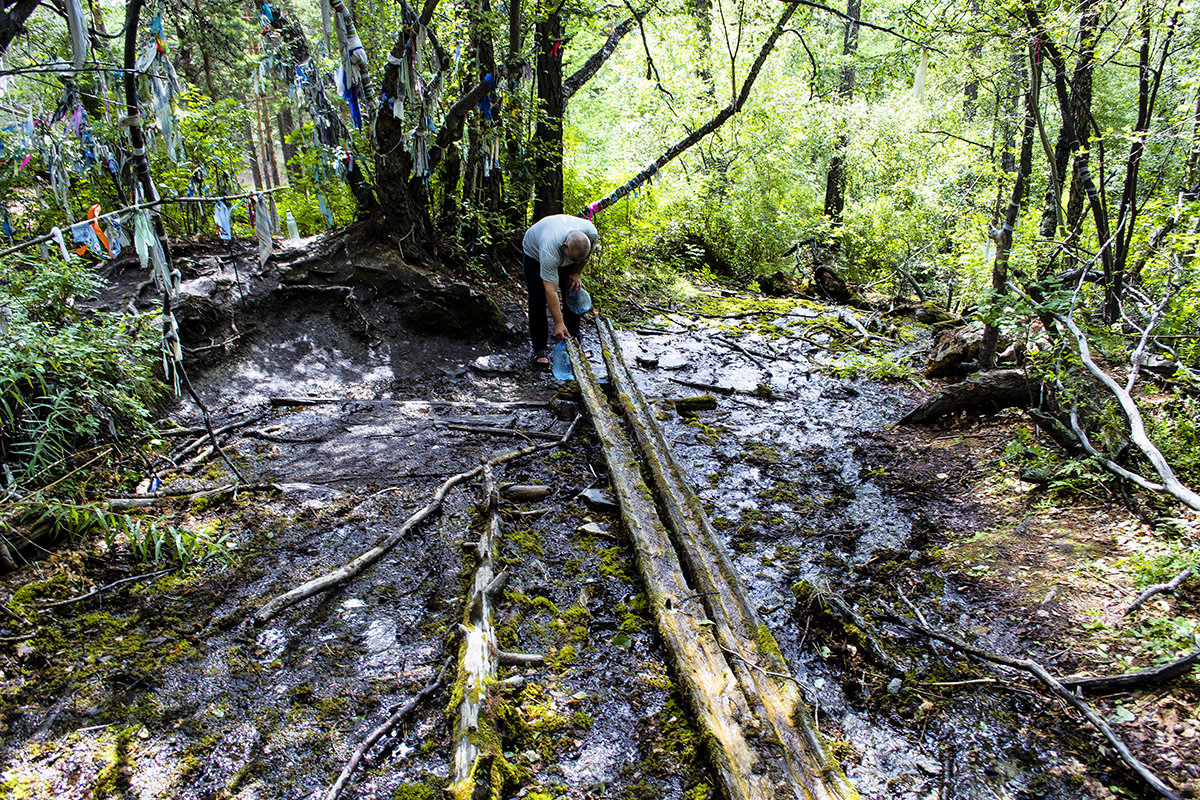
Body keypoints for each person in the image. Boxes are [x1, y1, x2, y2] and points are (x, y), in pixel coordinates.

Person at [522, 214, 598, 367]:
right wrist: (558, 323)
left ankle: (574, 342)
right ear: (565, 246)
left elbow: (584, 258)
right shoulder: (549, 249)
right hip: (535, 254)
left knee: (573, 289)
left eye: (577, 261)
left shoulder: (591, 234)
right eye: (573, 260)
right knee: (538, 297)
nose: (576, 263)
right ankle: (540, 349)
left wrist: (576, 273)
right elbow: (551, 290)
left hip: (568, 252)